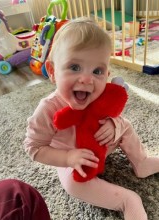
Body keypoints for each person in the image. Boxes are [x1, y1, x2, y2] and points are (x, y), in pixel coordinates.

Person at [24, 17, 159, 219]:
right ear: (52, 71)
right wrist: (68, 158)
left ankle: (141, 162)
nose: (87, 79)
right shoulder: (48, 109)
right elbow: (33, 148)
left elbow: (115, 116)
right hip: (75, 165)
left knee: (124, 125)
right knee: (130, 199)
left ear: (107, 75)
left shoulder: (100, 94)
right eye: (75, 67)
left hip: (100, 146)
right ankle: (127, 202)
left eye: (97, 71)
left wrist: (114, 125)